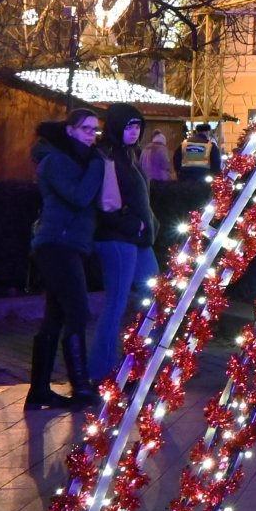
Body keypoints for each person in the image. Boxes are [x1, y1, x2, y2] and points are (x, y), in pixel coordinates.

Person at [25, 107, 106, 411]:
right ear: (70, 130)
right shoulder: (56, 161)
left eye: (95, 130)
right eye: (86, 129)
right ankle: (81, 387)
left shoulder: (74, 160)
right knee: (77, 310)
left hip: (69, 244)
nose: (92, 135)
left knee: (56, 316)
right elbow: (79, 197)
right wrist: (98, 168)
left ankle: (39, 391)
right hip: (57, 245)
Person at [88, 104, 158, 386]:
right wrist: (134, 224)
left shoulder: (130, 155)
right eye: (128, 127)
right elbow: (104, 204)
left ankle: (138, 365)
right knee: (115, 304)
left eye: (138, 127)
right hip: (117, 240)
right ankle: (101, 372)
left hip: (138, 240)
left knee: (154, 297)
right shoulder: (107, 157)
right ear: (116, 127)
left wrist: (150, 224)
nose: (134, 132)